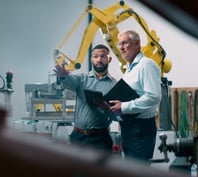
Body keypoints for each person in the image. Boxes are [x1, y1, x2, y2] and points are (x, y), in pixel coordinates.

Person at [109, 30, 161, 164]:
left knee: (138, 169)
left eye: (125, 43)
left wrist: (124, 106)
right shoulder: (129, 68)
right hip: (129, 127)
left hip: (141, 128)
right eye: (119, 44)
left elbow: (153, 97)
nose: (121, 47)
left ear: (137, 44)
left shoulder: (146, 65)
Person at [54, 44, 117, 153]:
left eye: (103, 56)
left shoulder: (114, 85)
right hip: (77, 138)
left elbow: (118, 116)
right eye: (96, 56)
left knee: (99, 170)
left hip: (101, 140)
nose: (99, 59)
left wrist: (106, 108)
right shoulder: (81, 78)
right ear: (91, 59)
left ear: (109, 59)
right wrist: (63, 77)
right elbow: (70, 81)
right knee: (76, 170)